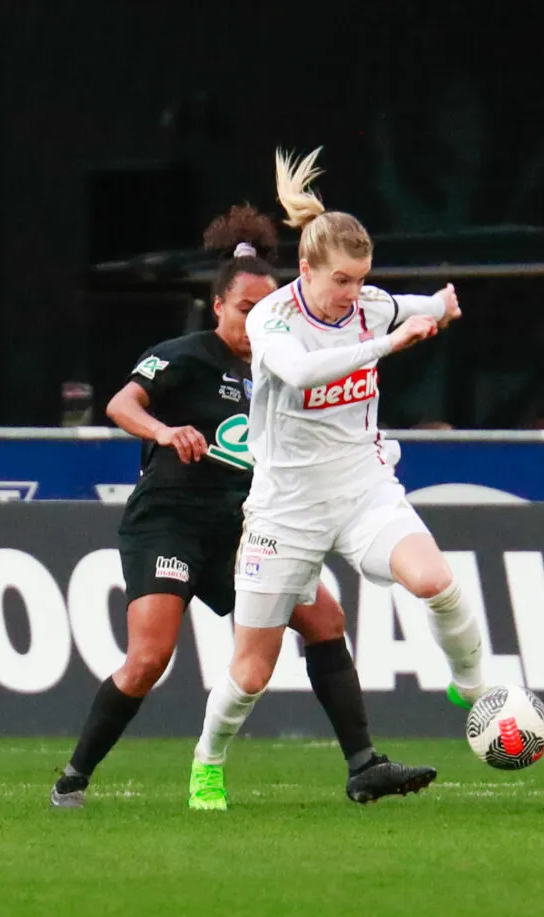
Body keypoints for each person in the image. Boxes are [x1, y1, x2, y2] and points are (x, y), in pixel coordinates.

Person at [51, 204, 437, 810]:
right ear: (221, 307)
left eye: (267, 310)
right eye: (246, 310)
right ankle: (74, 775)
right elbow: (122, 404)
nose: (257, 321)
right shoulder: (188, 355)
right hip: (170, 523)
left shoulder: (282, 362)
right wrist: (162, 432)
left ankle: (364, 765)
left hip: (244, 525)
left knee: (325, 622)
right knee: (150, 657)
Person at [188, 148, 489, 809]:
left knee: (436, 580)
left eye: (362, 280)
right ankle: (207, 761)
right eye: (343, 281)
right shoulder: (273, 318)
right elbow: (299, 374)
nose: (354, 295)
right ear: (305, 269)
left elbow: (412, 305)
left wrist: (440, 304)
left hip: (361, 488)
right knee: (251, 672)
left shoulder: (369, 306)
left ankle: (475, 688)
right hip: (284, 508)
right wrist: (393, 343)